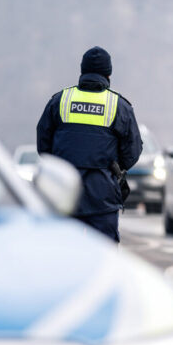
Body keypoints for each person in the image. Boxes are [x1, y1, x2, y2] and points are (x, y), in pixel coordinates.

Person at [37, 46, 142, 242]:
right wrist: (114, 167)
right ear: (109, 74)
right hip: (103, 196)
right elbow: (133, 151)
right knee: (105, 259)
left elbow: (43, 144)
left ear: (82, 71)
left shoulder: (60, 101)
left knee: (62, 254)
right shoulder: (119, 106)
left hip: (64, 193)